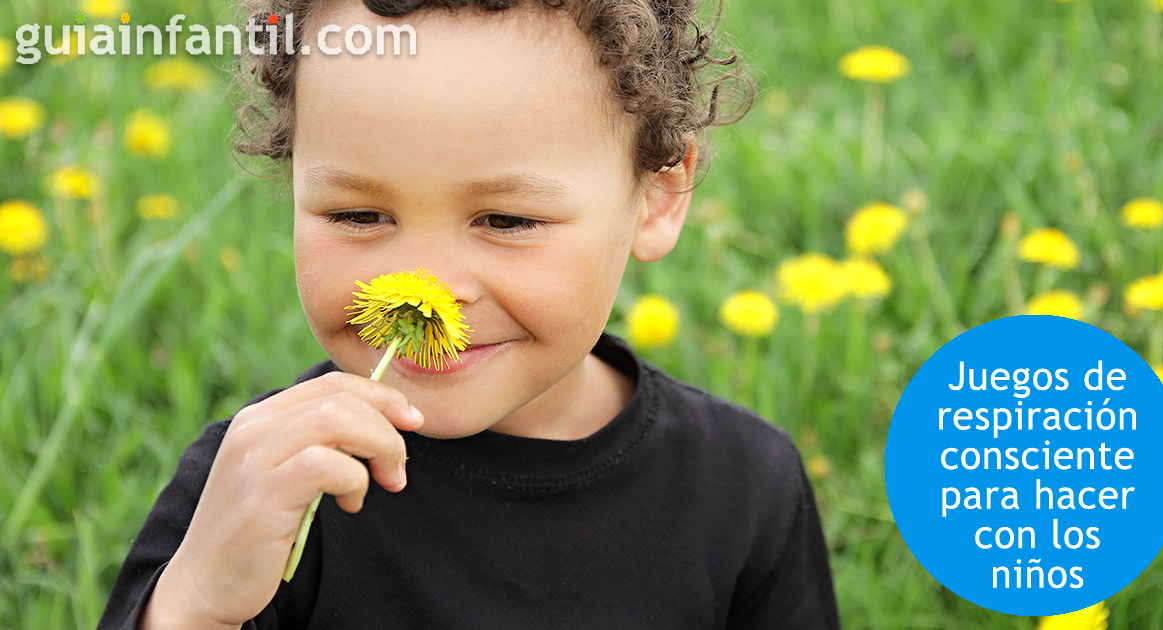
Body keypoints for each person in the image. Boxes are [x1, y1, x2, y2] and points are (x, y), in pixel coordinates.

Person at [98, 0, 840, 627]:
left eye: (506, 220)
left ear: (656, 196)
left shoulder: (745, 486)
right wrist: (196, 601)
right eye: (358, 214)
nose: (425, 285)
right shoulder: (265, 478)